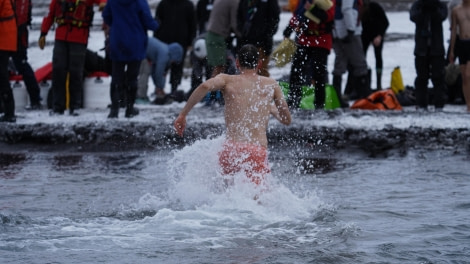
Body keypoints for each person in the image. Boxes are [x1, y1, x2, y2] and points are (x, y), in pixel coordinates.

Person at [174, 44, 292, 186]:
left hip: (231, 150)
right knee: (258, 200)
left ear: (237, 62)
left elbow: (204, 86)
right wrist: (273, 110)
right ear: (259, 63)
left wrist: (183, 114)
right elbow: (286, 119)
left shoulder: (227, 80)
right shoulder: (271, 84)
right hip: (256, 151)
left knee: (227, 196)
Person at [39, 0, 106, 116]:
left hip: (79, 38)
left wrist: (103, 3)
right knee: (58, 71)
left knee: (76, 73)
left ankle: (75, 106)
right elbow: (50, 14)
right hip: (61, 37)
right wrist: (43, 33)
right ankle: (58, 107)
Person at [102, 0, 159, 118]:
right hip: (135, 43)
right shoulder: (140, 2)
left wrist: (117, 25)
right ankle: (129, 108)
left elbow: (106, 15)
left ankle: (114, 109)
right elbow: (148, 22)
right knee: (132, 78)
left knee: (116, 77)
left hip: (117, 41)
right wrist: (156, 24)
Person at [283, 0, 336, 109]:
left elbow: (328, 17)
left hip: (321, 41)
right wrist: (289, 29)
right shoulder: (303, 1)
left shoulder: (329, 2)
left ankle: (319, 104)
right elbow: (298, 15)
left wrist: (312, 8)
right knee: (296, 70)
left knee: (319, 74)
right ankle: (293, 101)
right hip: (304, 39)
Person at [410, 0, 448, 111]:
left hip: (437, 49)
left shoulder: (440, 5)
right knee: (421, 77)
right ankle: (422, 104)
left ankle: (439, 104)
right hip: (421, 49)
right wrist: (423, 8)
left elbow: (441, 16)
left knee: (438, 77)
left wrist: (433, 8)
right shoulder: (417, 5)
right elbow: (414, 17)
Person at [332, 0, 371, 107]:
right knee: (360, 64)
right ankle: (365, 97)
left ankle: (336, 98)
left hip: (338, 30)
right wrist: (351, 30)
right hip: (349, 32)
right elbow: (347, 9)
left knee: (340, 64)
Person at [154, 0, 196, 96]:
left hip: (181, 41)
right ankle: (160, 89)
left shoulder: (188, 4)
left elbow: (192, 24)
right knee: (162, 66)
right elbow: (157, 21)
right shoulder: (163, 3)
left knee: (177, 66)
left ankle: (174, 88)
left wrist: (191, 40)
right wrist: (156, 39)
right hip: (164, 41)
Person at [11, 0, 42, 110]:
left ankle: (35, 98)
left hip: (17, 38)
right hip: (10, 35)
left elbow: (21, 19)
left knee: (22, 66)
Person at [237, 0, 280, 77]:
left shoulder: (268, 2)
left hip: (262, 43)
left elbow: (274, 18)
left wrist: (267, 35)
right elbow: (239, 16)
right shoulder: (244, 2)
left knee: (261, 72)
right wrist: (241, 32)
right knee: (244, 73)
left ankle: (263, 88)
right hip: (245, 42)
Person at [136, 37, 184, 105]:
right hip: (140, 49)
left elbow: (154, 72)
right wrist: (160, 87)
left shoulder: (164, 50)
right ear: (174, 55)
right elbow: (158, 72)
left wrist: (159, 86)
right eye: (174, 60)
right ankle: (140, 96)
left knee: (145, 72)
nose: (173, 62)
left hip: (142, 49)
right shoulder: (164, 55)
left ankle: (141, 95)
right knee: (144, 72)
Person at [205, 0, 241, 78]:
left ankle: (214, 87)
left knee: (217, 66)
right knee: (219, 67)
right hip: (218, 36)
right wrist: (241, 35)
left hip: (210, 34)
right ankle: (213, 89)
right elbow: (234, 23)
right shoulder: (234, 2)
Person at [360, 0, 389, 90]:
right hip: (364, 35)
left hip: (377, 34)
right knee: (361, 59)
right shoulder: (357, 9)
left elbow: (386, 22)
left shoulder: (375, 7)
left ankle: (378, 84)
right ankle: (363, 83)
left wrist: (379, 36)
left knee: (378, 57)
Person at [449, 0, 470, 112]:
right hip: (461, 43)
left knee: (468, 74)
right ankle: (468, 104)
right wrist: (452, 50)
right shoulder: (456, 10)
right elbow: (453, 31)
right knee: (464, 77)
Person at [0, 0, 17, 122]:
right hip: (5, 39)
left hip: (3, 40)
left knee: (2, 76)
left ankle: (9, 112)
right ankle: (6, 110)